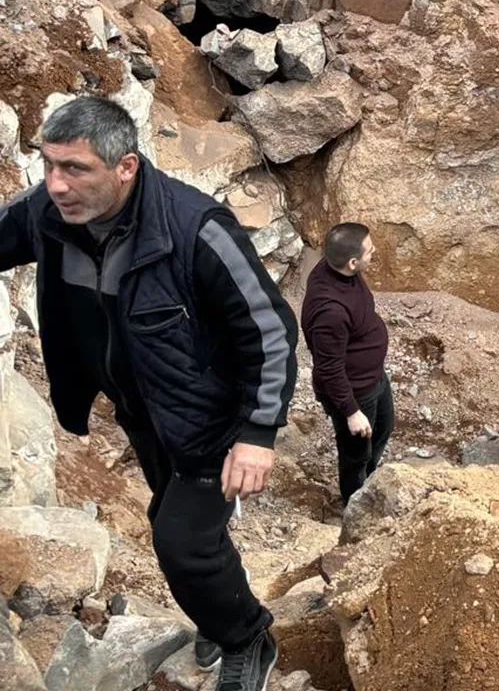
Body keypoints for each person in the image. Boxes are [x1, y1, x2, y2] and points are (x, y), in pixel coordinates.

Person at [0, 97, 295, 691]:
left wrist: (258, 433)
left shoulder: (196, 229)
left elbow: (270, 331)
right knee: (184, 522)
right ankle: (217, 608)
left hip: (212, 419)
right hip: (143, 412)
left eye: (75, 168)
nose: (55, 184)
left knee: (180, 541)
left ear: (126, 167)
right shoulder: (48, 213)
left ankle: (247, 637)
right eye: (48, 164)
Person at [301, 223, 392, 506]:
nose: (374, 252)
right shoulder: (330, 313)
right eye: (369, 251)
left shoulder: (339, 270)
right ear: (352, 263)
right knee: (356, 454)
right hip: (355, 391)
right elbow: (329, 369)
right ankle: (354, 505)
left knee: (384, 427)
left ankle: (369, 481)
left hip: (373, 376)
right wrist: (351, 412)